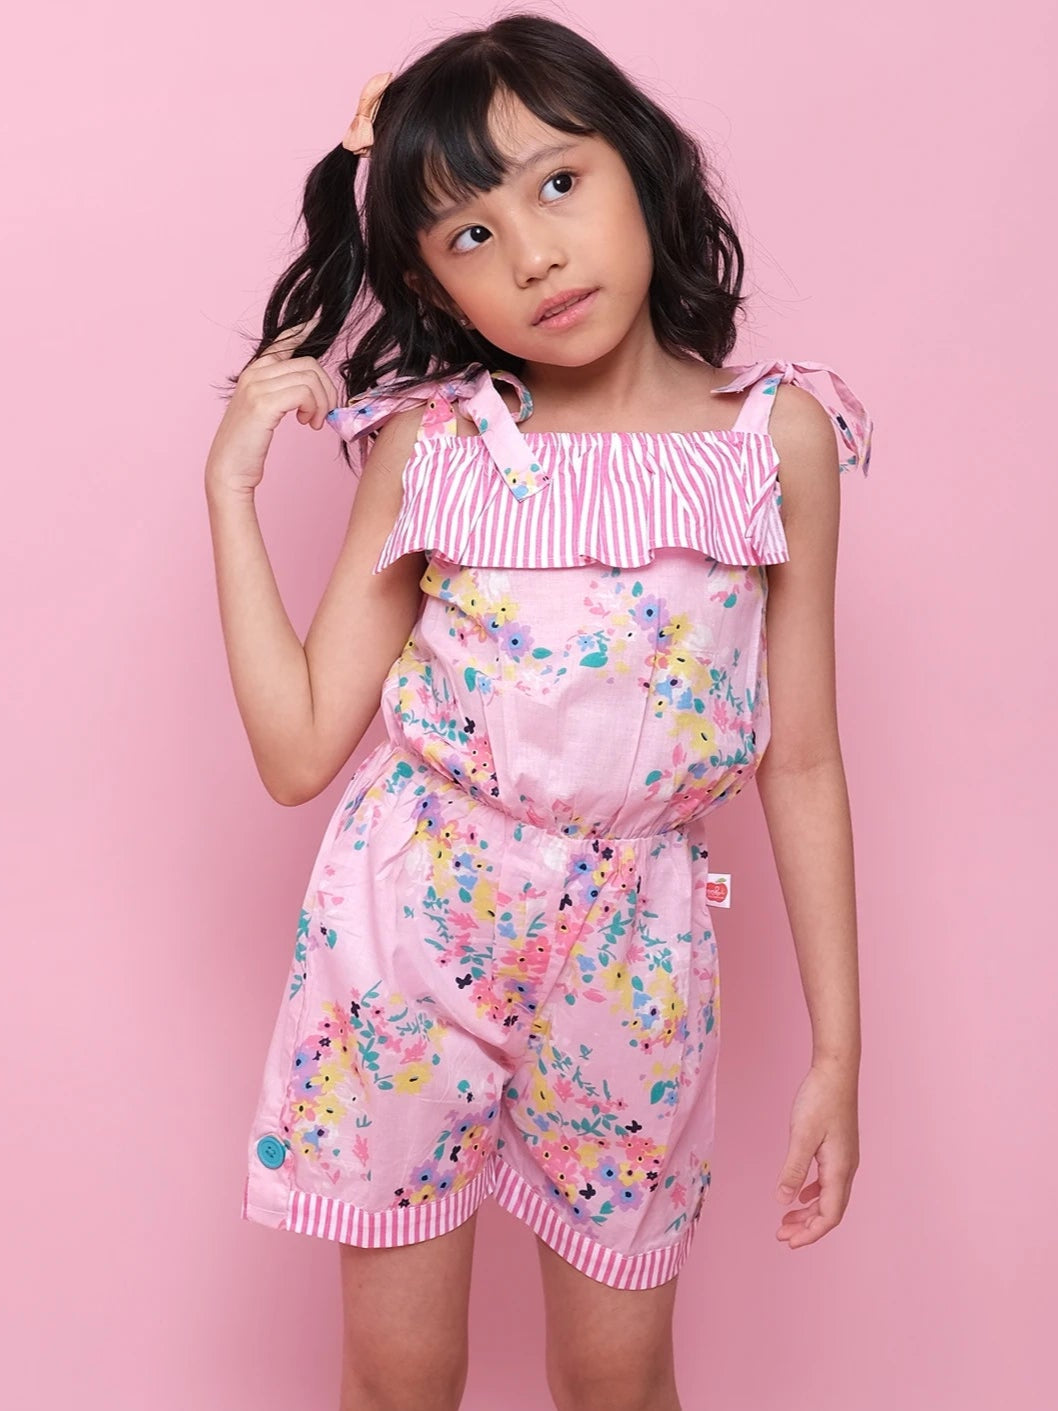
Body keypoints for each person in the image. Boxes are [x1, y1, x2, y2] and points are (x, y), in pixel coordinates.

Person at [205, 12, 871, 1411]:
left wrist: (833, 1050)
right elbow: (296, 752)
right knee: (398, 1383)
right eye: (466, 234)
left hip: (636, 948)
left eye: (556, 183)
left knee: (620, 1385)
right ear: (432, 285)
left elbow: (797, 759)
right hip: (407, 939)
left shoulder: (773, 438)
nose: (533, 255)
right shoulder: (432, 444)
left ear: (641, 164)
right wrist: (230, 494)